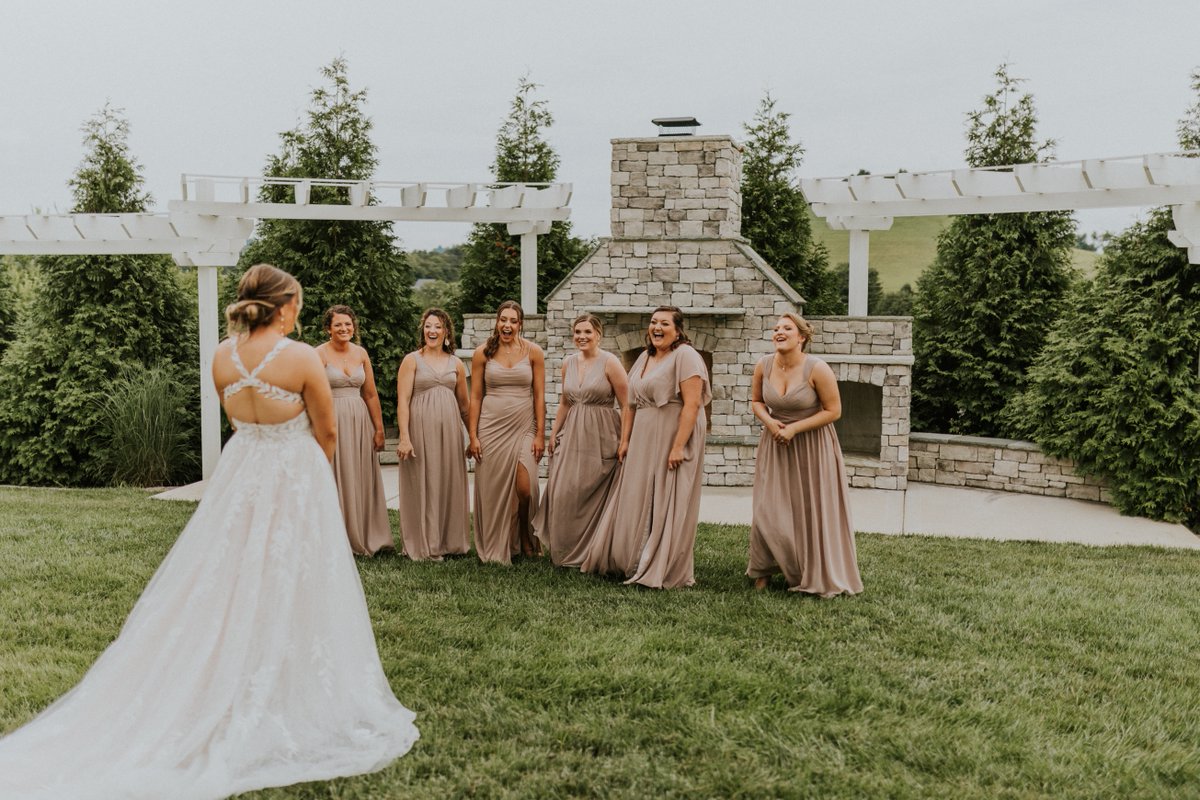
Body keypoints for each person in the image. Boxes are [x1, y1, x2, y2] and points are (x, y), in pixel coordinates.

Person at [0, 264, 417, 799]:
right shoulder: (298, 357)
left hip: (241, 472)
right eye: (297, 304)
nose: (300, 312)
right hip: (292, 471)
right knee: (292, 575)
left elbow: (236, 416)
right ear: (283, 305)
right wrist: (309, 480)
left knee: (231, 571)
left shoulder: (223, 356)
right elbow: (328, 430)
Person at [581, 306, 710, 589]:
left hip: (672, 434)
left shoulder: (686, 356)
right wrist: (625, 440)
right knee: (638, 493)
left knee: (667, 496)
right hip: (642, 435)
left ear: (678, 330)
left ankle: (661, 564)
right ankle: (633, 557)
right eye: (653, 322)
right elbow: (630, 404)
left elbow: (692, 404)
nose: (657, 328)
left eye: (664, 323)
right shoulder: (643, 357)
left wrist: (679, 446)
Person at [747, 312, 863, 596]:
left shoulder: (817, 368)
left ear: (801, 337)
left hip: (812, 445)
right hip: (775, 443)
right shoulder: (763, 365)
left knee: (808, 507)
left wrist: (795, 429)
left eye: (787, 328)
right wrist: (771, 423)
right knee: (768, 508)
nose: (779, 332)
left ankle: (808, 570)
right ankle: (763, 569)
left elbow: (833, 411)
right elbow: (756, 401)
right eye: (776, 328)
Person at [532, 313, 627, 567]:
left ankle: (593, 550)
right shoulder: (568, 363)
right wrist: (554, 434)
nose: (582, 337)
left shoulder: (611, 362)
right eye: (577, 332)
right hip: (572, 432)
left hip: (602, 433)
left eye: (587, 332)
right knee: (563, 491)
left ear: (598, 334)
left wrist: (625, 440)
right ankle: (564, 551)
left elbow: (627, 404)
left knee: (592, 490)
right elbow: (565, 402)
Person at [468, 300, 545, 564]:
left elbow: (539, 396)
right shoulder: (482, 353)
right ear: (497, 322)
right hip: (491, 427)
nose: (507, 325)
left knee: (525, 488)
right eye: (503, 320)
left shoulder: (534, 352)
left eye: (513, 321)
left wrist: (540, 435)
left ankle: (524, 533)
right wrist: (473, 436)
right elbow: (475, 397)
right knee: (493, 488)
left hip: (524, 425)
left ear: (520, 324)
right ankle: (498, 540)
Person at [316, 304, 394, 556]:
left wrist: (379, 429)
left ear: (354, 327)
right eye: (338, 324)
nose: (344, 328)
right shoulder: (319, 354)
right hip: (331, 420)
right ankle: (336, 538)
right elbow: (312, 394)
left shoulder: (361, 353)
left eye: (348, 324)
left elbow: (370, 394)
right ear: (328, 328)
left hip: (360, 422)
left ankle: (365, 534)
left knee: (359, 474)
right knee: (336, 476)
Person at [395, 307, 471, 560]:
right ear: (423, 330)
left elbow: (465, 406)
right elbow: (403, 401)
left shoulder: (456, 364)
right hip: (420, 430)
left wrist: (473, 437)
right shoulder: (411, 360)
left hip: (449, 432)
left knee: (447, 481)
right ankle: (423, 542)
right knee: (423, 482)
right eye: (428, 326)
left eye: (438, 326)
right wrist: (404, 438)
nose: (432, 331)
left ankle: (449, 541)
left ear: (446, 331)